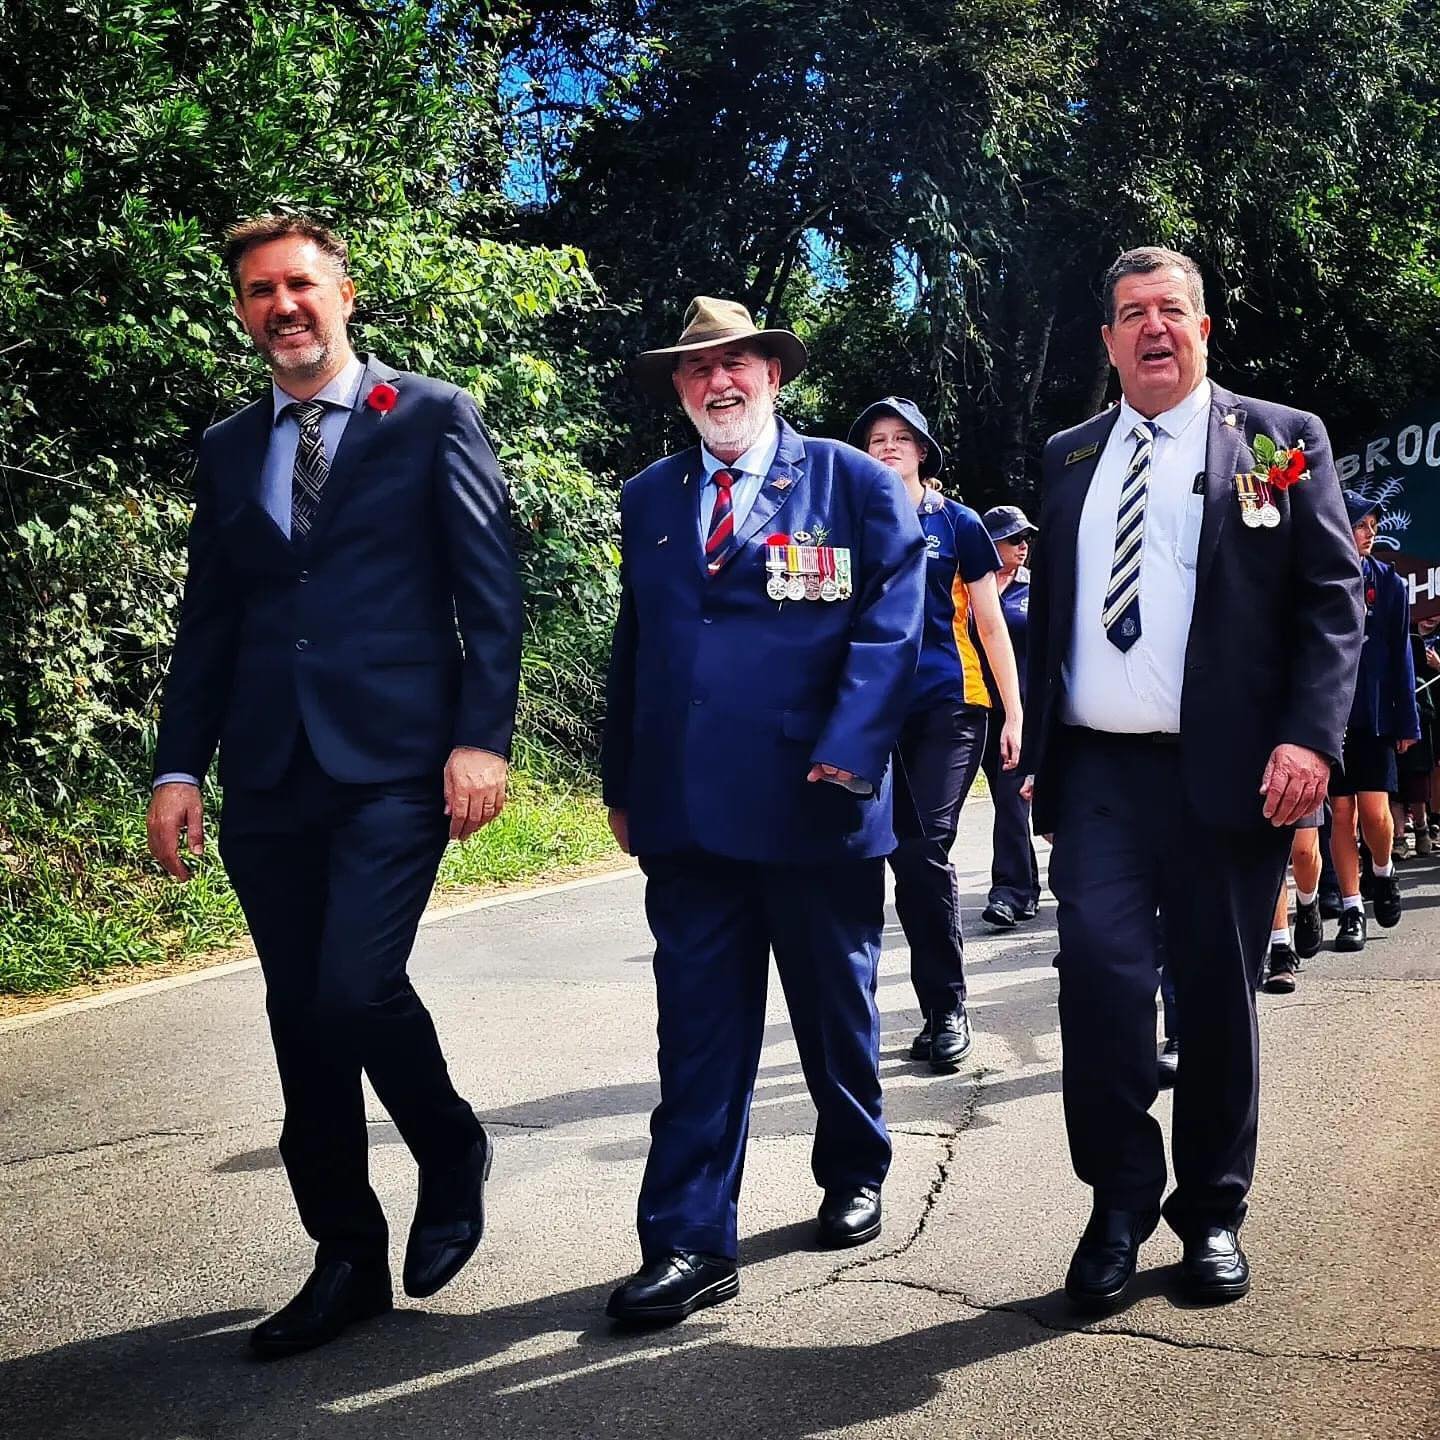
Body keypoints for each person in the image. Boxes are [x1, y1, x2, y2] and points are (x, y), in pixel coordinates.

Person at [146, 215, 522, 1357]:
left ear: (344, 293)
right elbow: (209, 620)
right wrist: (178, 763)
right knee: (295, 1015)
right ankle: (347, 1255)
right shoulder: (225, 446)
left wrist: (483, 738)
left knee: (352, 990)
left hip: (398, 761)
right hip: (267, 771)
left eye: (299, 284)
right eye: (260, 292)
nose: (282, 307)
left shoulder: (432, 415)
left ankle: (449, 1146)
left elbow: (489, 587)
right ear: (245, 310)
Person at [1021, 246, 1364, 1310]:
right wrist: (1038, 754)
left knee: (1217, 998)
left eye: (1172, 310)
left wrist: (1310, 739)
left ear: (1205, 328)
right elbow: (1056, 622)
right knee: (1104, 994)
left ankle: (1210, 1213)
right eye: (1132, 314)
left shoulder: (1278, 441)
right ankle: (1118, 1204)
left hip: (1231, 781)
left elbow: (1330, 602)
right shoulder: (1069, 456)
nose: (1153, 328)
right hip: (1101, 780)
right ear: (1109, 341)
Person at [601, 298, 925, 1324]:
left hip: (811, 808)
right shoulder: (650, 495)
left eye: (737, 363)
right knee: (696, 1035)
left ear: (773, 375)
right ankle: (690, 1241)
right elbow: (636, 646)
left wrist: (846, 757)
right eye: (698, 371)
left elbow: (893, 631)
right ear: (681, 390)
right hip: (687, 819)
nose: (718, 383)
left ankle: (856, 1162)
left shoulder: (855, 483)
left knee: (836, 1013)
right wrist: (622, 781)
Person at [845, 398, 1023, 1072]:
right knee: (858, 859)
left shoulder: (960, 523)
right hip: (866, 711)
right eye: (875, 438)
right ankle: (855, 1023)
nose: (887, 447)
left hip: (948, 706)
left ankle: (946, 1008)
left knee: (920, 852)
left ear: (923, 451)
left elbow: (989, 620)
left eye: (900, 438)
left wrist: (1015, 711)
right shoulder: (844, 520)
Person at [1328, 493, 1420, 951]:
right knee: (1340, 813)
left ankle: (1382, 873)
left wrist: (1408, 720)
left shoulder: (1389, 583)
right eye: (1361, 524)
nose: (1369, 533)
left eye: (1372, 524)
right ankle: (1351, 908)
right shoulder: (1320, 577)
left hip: (1375, 712)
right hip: (1329, 715)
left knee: (1374, 813)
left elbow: (1402, 653)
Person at [977, 505, 1041, 929]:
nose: (1022, 545)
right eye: (1012, 537)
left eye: (1025, 538)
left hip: (1022, 712)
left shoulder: (1035, 590)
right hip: (975, 709)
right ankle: (1026, 887)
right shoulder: (968, 588)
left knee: (1011, 800)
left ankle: (1010, 892)